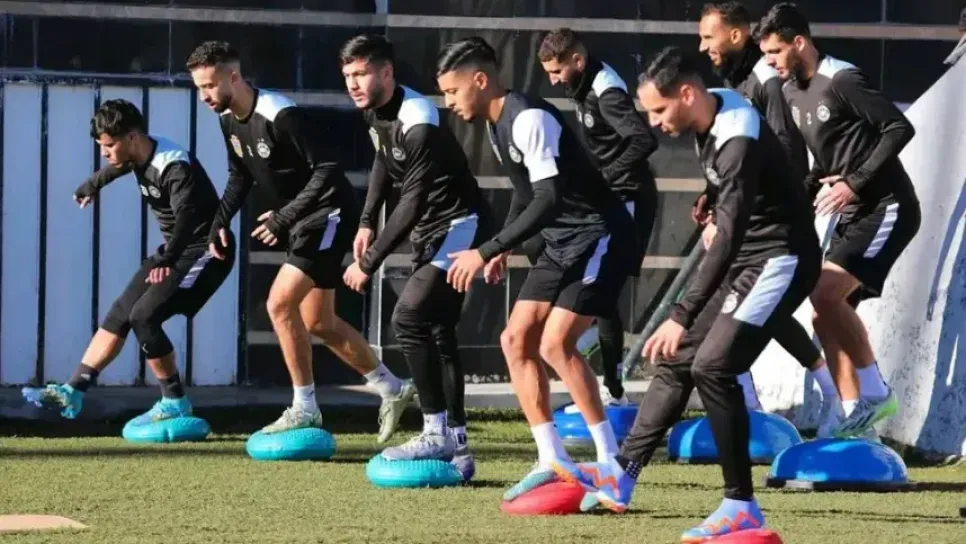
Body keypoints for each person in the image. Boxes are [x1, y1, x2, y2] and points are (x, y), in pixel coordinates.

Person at [552, 47, 821, 541]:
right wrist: (710, 198)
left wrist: (680, 314)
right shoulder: (711, 112)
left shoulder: (737, 138)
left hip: (781, 259)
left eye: (659, 110)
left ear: (688, 93)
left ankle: (741, 506)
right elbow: (734, 194)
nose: (653, 123)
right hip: (747, 257)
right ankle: (622, 473)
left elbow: (730, 236)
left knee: (713, 367)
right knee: (677, 362)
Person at [435, 37, 639, 500]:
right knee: (514, 340)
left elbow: (548, 199)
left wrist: (486, 250)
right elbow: (527, 193)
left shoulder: (528, 118)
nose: (449, 103)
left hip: (599, 233)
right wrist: (502, 249)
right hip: (561, 242)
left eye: (452, 91)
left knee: (555, 344)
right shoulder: (496, 124)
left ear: (480, 80)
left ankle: (611, 463)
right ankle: (552, 458)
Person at [185, 40, 414, 439]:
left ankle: (304, 408)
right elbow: (240, 175)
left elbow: (327, 169)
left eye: (208, 86)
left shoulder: (280, 114)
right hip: (304, 220)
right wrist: (218, 222)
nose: (203, 95)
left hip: (329, 213)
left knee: (279, 303)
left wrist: (284, 217)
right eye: (199, 87)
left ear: (233, 77)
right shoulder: (227, 120)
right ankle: (392, 388)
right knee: (319, 322)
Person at [757, 3, 921, 437]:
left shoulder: (842, 79)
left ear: (799, 42)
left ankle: (876, 394)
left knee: (825, 295)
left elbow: (899, 128)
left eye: (774, 52)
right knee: (824, 314)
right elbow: (826, 160)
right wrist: (801, 195)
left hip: (887, 207)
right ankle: (854, 419)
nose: (769, 62)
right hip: (852, 213)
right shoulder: (790, 93)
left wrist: (855, 182)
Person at [22, 99, 234, 424]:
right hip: (175, 251)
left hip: (206, 251)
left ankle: (175, 401)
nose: (104, 152)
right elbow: (119, 165)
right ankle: (72, 389)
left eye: (109, 145)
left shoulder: (174, 167)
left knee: (144, 317)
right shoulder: (139, 152)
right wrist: (91, 185)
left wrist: (167, 260)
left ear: (132, 137)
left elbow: (187, 218)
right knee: (121, 313)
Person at [339, 34, 489, 480]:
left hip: (460, 224)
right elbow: (383, 162)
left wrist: (368, 263)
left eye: (361, 73)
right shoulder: (375, 110)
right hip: (432, 229)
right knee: (438, 331)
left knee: (408, 318)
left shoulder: (419, 120)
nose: (353, 84)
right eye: (347, 75)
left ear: (386, 72)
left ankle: (434, 431)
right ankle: (458, 448)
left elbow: (412, 202)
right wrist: (367, 221)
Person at [697, 0, 844, 436]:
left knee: (759, 306)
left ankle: (830, 395)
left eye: (708, 37)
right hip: (752, 217)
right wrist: (714, 197)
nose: (702, 46)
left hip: (774, 224)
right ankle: (750, 406)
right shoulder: (738, 81)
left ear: (735, 35)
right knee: (744, 306)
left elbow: (785, 149)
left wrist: (757, 209)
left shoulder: (765, 78)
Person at [537, 27, 659, 408]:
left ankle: (613, 390)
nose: (554, 81)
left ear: (578, 60)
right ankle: (605, 373)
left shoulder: (606, 91)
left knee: (604, 290)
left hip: (628, 198)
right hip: (608, 198)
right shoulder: (583, 83)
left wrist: (605, 176)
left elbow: (644, 139)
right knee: (589, 282)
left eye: (557, 71)